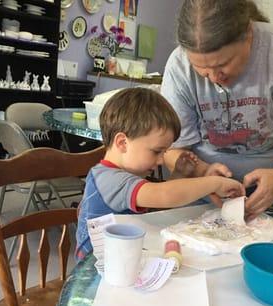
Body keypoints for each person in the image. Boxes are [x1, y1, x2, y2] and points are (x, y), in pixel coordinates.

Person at [161, 0, 273, 220]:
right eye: (203, 70)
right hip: (199, 188)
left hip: (268, 194)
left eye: (223, 64)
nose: (215, 78)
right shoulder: (179, 66)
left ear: (248, 33)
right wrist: (204, 173)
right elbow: (171, 150)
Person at [75, 87, 244, 260]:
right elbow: (164, 195)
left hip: (123, 256)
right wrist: (214, 183)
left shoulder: (124, 174)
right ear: (122, 143)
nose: (162, 160)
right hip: (98, 268)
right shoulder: (109, 178)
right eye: (157, 151)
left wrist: (178, 174)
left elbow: (157, 205)